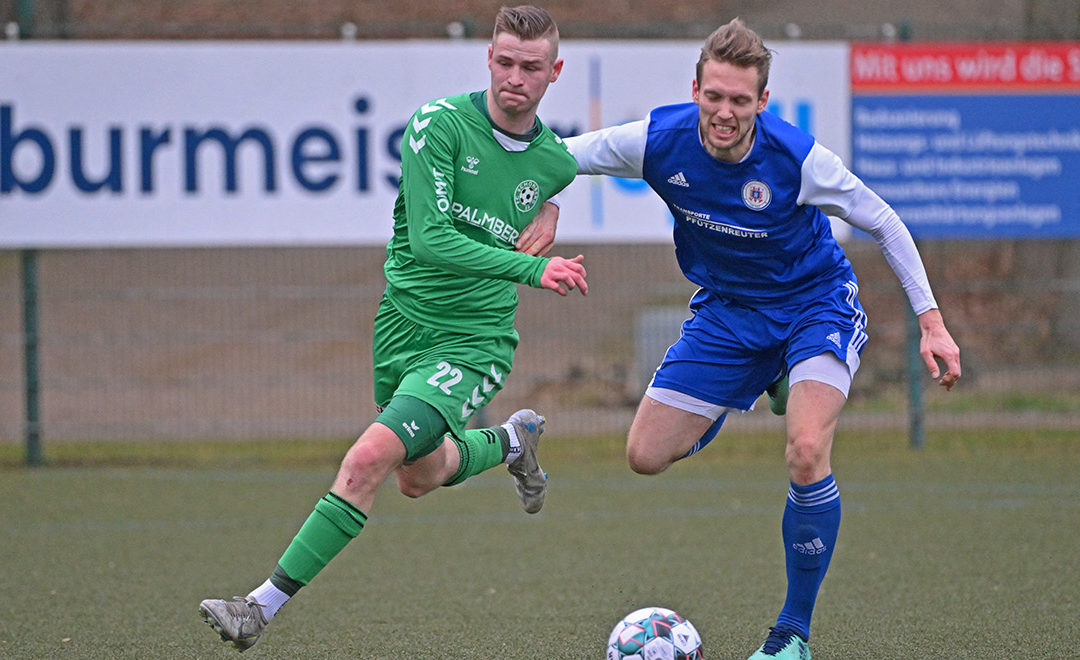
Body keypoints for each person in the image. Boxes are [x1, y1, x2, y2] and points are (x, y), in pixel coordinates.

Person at [557, 17, 962, 660]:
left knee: (805, 449)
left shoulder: (796, 159)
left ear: (761, 102)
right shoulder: (657, 140)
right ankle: (745, 392)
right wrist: (548, 199)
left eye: (740, 101)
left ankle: (791, 635)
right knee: (644, 455)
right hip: (728, 314)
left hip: (813, 307)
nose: (724, 112)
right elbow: (562, 157)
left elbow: (883, 220)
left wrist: (931, 321)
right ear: (695, 90)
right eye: (714, 96)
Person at [198, 6, 587, 652]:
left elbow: (574, 163)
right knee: (419, 476)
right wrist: (530, 266)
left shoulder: (555, 162)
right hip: (402, 327)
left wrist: (551, 205)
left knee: (368, 460)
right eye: (506, 62)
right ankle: (512, 443)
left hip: (473, 342)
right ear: (489, 58)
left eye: (532, 67)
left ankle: (257, 608)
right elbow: (432, 241)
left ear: (555, 72)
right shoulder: (439, 126)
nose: (516, 77)